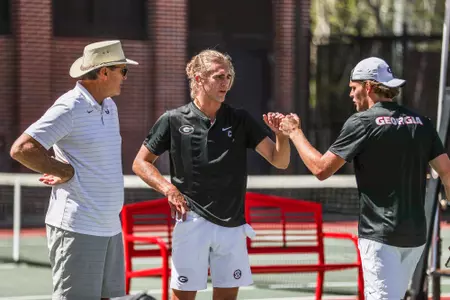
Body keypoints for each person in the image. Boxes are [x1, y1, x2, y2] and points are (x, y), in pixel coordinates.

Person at [274, 57, 450, 299]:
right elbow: (447, 172)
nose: (351, 95)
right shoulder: (421, 122)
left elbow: (320, 169)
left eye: (353, 88)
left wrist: (294, 132)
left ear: (368, 87)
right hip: (416, 236)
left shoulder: (362, 122)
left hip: (380, 236)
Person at [132, 49, 291, 300]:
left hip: (232, 225)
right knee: (182, 297)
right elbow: (141, 163)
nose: (225, 82)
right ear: (198, 78)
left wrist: (282, 135)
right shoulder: (172, 119)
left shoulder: (240, 119)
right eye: (218, 76)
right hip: (191, 221)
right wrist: (169, 190)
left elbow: (279, 161)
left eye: (228, 76)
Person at [10, 40, 138, 300]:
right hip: (78, 229)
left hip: (110, 228)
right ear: (104, 72)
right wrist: (64, 170)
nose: (125, 77)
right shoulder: (69, 106)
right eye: (122, 70)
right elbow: (22, 148)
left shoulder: (110, 106)